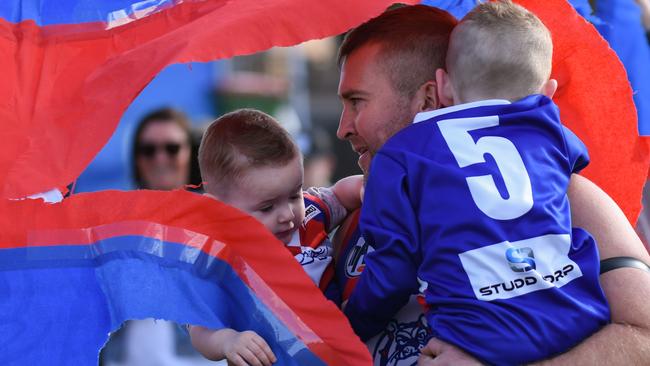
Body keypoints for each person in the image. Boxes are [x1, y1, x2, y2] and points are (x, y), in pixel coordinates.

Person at [332, 4, 650, 365]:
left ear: (433, 96)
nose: (343, 128)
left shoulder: (565, 192)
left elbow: (644, 336)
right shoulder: (343, 211)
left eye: (357, 101)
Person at [189, 109, 362, 366]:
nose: (287, 215)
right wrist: (228, 340)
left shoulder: (310, 217)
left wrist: (367, 189)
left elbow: (341, 193)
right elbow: (199, 328)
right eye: (267, 207)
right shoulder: (219, 260)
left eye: (294, 195)